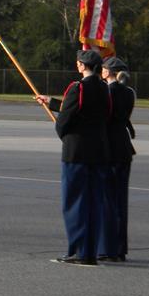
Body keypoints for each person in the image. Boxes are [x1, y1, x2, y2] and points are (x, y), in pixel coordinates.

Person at [36, 49, 110, 266]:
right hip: (99, 152)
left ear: (81, 65)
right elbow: (88, 110)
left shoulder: (77, 87)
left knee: (75, 203)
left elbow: (65, 120)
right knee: (93, 203)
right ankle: (89, 251)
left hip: (77, 152)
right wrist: (51, 102)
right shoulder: (104, 89)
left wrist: (65, 135)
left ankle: (78, 251)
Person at [99, 56, 136, 261]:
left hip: (109, 149)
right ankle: (120, 247)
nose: (101, 71)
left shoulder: (107, 92)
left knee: (107, 201)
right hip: (124, 149)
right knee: (120, 201)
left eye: (104, 69)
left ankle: (108, 247)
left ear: (109, 72)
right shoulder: (129, 92)